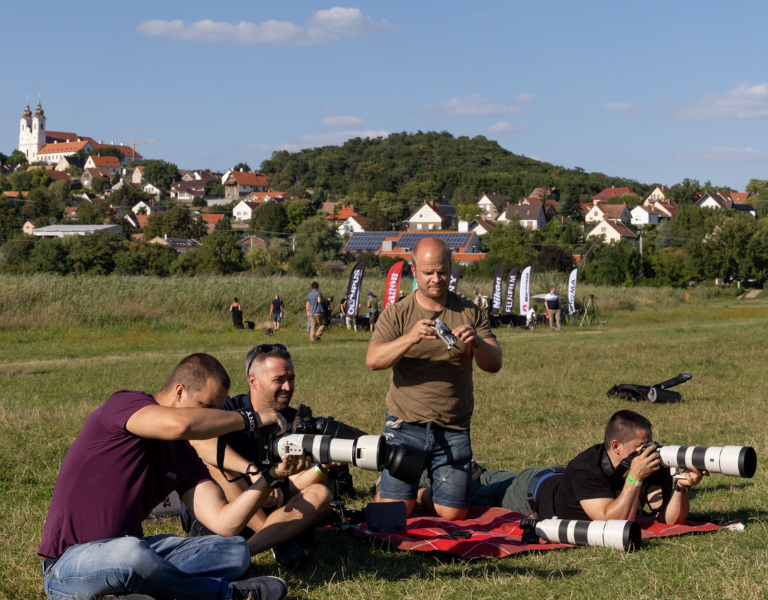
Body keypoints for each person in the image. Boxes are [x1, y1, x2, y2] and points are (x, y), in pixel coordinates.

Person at [38, 353, 302, 600]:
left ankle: (147, 591)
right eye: (206, 408)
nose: (212, 420)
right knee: (131, 554)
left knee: (235, 551)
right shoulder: (126, 404)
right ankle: (226, 595)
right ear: (179, 392)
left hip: (134, 552)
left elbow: (225, 522)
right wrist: (249, 419)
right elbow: (181, 424)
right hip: (69, 564)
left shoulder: (184, 454)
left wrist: (269, 477)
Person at [366, 237, 503, 520]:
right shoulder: (397, 313)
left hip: (453, 426)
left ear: (451, 269)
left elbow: (495, 364)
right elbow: (373, 360)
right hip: (405, 424)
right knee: (393, 514)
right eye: (428, 272)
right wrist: (410, 338)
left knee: (453, 514)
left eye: (442, 271)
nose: (436, 279)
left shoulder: (470, 312)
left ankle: (418, 492)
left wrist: (477, 343)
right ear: (414, 270)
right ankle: (395, 491)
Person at [182, 345, 336, 571]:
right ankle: (280, 543)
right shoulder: (228, 410)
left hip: (271, 511)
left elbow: (290, 488)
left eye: (291, 378)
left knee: (321, 493)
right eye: (279, 379)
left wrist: (322, 468)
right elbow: (198, 442)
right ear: (253, 381)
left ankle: (246, 550)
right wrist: (253, 472)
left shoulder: (295, 420)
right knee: (216, 463)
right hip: (223, 514)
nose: (288, 387)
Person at [454, 410, 706, 524]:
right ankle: (427, 479)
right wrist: (634, 479)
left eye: (649, 443)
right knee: (465, 495)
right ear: (616, 446)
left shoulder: (647, 461)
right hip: (528, 492)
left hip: (557, 476)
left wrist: (681, 488)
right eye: (641, 445)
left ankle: (480, 472)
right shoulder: (587, 468)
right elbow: (613, 519)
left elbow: (669, 519)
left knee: (486, 476)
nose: (647, 450)